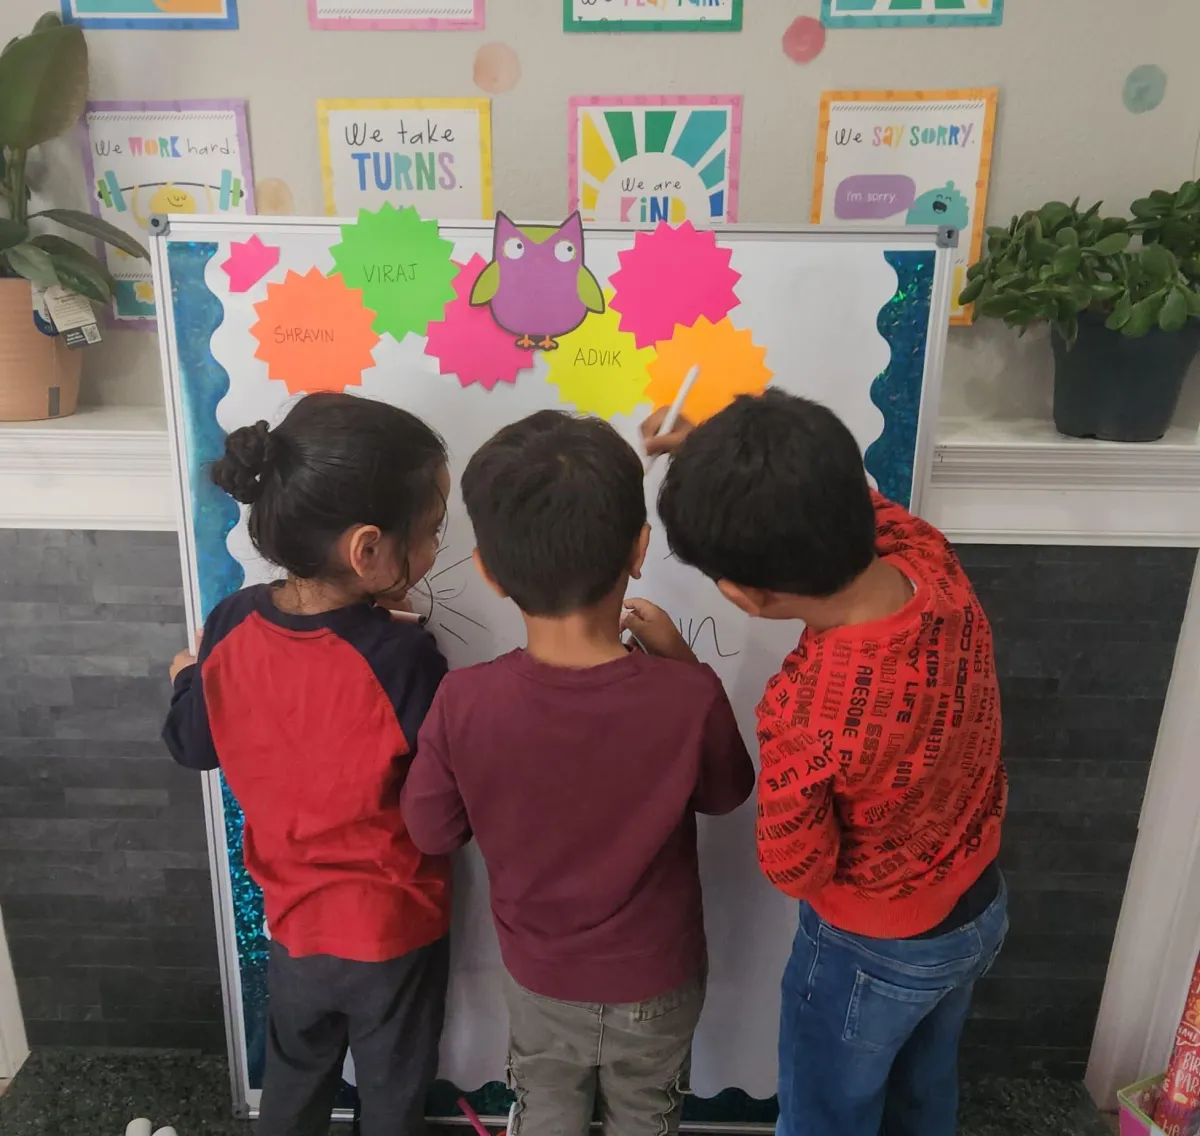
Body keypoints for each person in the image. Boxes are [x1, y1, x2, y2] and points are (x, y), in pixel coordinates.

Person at [642, 390, 1008, 1136]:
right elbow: (843, 497)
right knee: (923, 1085)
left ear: (745, 596)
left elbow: (795, 869)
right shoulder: (926, 555)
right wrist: (711, 461)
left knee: (825, 1111)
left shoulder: (805, 712)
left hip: (871, 951)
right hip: (977, 898)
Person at [400, 411, 755, 1136]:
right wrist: (683, 661)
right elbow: (728, 794)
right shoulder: (685, 695)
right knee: (644, 1119)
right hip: (659, 979)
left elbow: (429, 827)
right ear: (638, 550)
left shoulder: (464, 701)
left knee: (547, 1113)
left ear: (491, 575)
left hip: (542, 978)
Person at [162, 392, 452, 1136]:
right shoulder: (406, 657)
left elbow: (194, 745)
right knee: (391, 1095)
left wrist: (183, 679)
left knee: (294, 1085)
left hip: (293, 927)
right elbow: (442, 806)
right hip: (392, 930)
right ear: (367, 550)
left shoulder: (228, 622)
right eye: (431, 533)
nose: (435, 551)